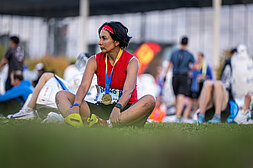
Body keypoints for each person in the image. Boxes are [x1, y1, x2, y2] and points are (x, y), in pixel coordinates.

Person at [55, 21, 156, 128]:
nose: (99, 42)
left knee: (149, 100)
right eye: (100, 38)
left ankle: (106, 124)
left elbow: (128, 91)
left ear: (116, 42)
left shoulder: (131, 61)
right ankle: (76, 122)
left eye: (104, 38)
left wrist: (117, 108)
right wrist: (76, 105)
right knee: (61, 95)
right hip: (101, 106)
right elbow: (84, 86)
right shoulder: (93, 60)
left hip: (124, 108)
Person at [8, 53, 96, 119]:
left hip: (85, 103)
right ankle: (27, 110)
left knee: (46, 76)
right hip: (83, 102)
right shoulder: (83, 72)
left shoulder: (81, 72)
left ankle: (27, 110)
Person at [165, 36, 196, 122]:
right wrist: (190, 69)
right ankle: (178, 116)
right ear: (187, 43)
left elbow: (169, 65)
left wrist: (164, 77)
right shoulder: (189, 54)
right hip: (184, 76)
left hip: (175, 76)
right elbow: (195, 66)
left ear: (180, 42)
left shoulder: (174, 53)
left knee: (176, 96)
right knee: (181, 96)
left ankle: (177, 114)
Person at [183, 52, 213, 122]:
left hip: (201, 86)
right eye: (197, 56)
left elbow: (210, 77)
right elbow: (190, 74)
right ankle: (185, 117)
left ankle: (195, 117)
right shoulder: (194, 65)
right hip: (192, 87)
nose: (198, 58)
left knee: (198, 103)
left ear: (202, 57)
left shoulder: (205, 66)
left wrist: (204, 77)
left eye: (200, 56)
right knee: (190, 103)